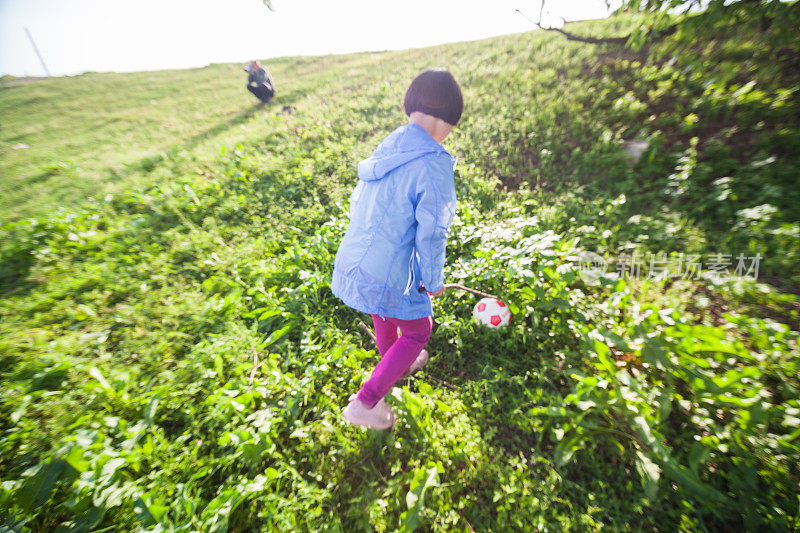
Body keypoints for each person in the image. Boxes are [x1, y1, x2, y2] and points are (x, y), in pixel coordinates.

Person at [331, 69, 463, 430]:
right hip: (386, 269)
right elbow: (432, 232)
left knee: (382, 306)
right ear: (448, 118)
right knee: (419, 329)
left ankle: (394, 363)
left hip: (355, 260)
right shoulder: (433, 163)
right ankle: (366, 402)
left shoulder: (390, 144)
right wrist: (433, 280)